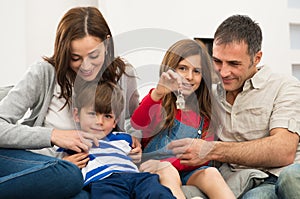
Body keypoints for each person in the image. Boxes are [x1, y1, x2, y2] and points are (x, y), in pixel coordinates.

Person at [0, 6, 141, 198]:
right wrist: (54, 135)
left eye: (94, 56)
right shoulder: (44, 73)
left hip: (80, 172)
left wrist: (134, 146)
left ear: (106, 44)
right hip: (33, 162)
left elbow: (134, 120)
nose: (86, 66)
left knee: (81, 194)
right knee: (70, 176)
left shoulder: (123, 75)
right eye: (75, 58)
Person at [168, 15, 300, 198]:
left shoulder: (284, 86)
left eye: (234, 64)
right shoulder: (211, 95)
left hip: (275, 176)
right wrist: (134, 138)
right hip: (233, 180)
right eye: (217, 61)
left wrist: (212, 150)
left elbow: (283, 150)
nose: (223, 72)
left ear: (256, 58)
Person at [131, 39, 235, 199]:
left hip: (189, 169)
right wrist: (157, 93)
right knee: (168, 169)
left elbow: (204, 154)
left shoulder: (205, 113)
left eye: (196, 71)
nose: (189, 76)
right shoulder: (159, 100)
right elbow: (138, 122)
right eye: (183, 68)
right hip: (155, 165)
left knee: (212, 173)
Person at [59, 81, 175, 199]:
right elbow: (57, 162)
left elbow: (136, 149)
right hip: (104, 181)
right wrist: (65, 162)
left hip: (136, 177)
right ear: (76, 115)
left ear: (115, 121)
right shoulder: (75, 141)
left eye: (108, 116)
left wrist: (137, 153)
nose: (100, 122)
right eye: (93, 114)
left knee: (157, 191)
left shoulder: (124, 138)